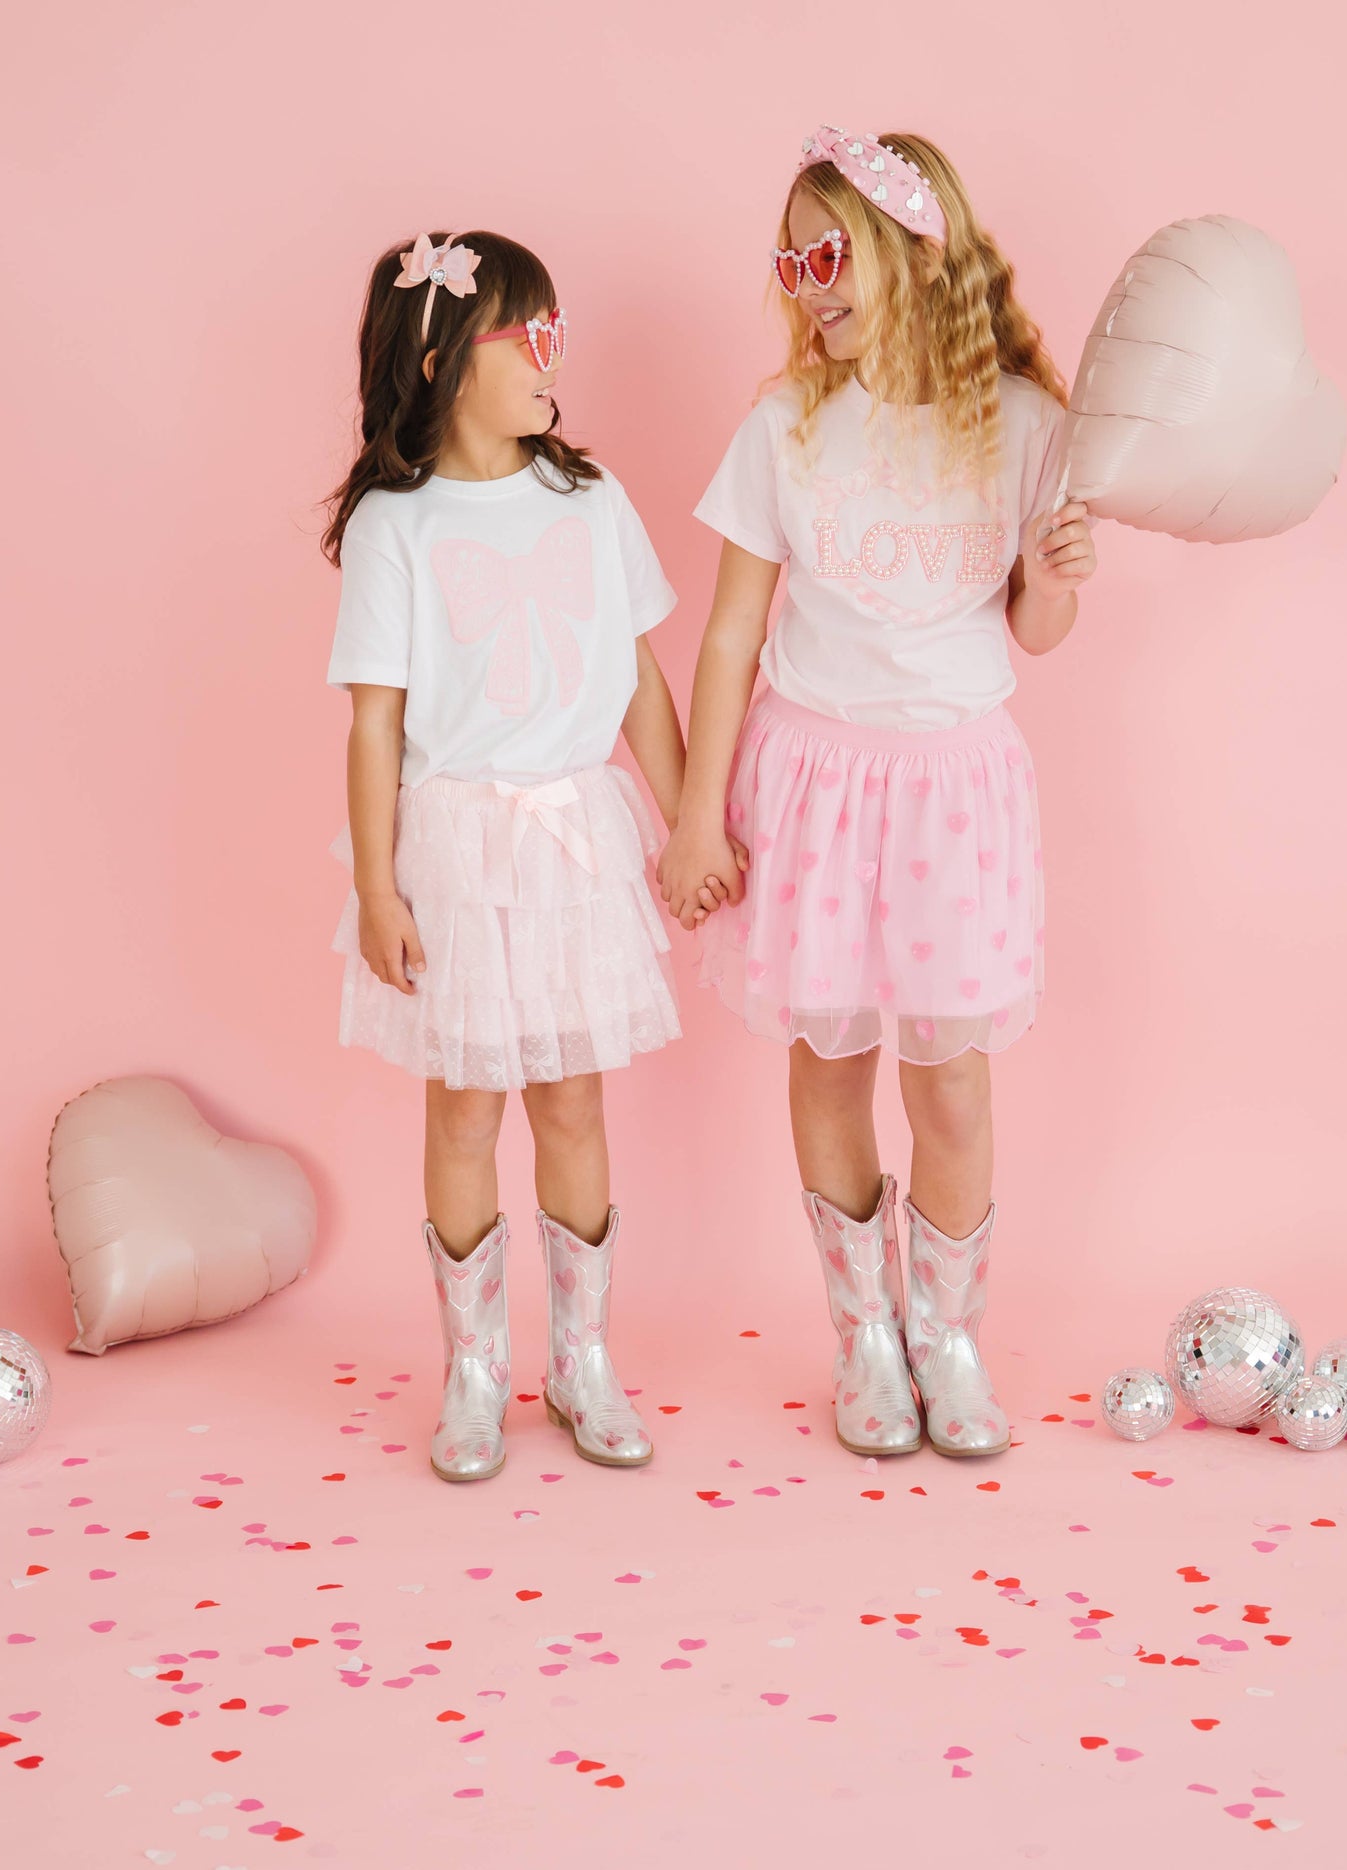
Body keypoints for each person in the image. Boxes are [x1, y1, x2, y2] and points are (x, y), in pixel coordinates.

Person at [658, 130, 1099, 1461]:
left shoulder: (1021, 424)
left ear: (916, 254)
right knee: (830, 1059)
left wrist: (1052, 577)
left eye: (830, 256)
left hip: (951, 791)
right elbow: (729, 634)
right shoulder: (784, 425)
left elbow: (1036, 632)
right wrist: (695, 812)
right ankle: (862, 1337)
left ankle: (946, 1337)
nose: (808, 287)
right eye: (791, 263)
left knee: (950, 1078)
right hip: (813, 781)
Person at [323, 231, 689, 1482]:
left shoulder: (590, 499)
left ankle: (580, 1359)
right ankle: (474, 1370)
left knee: (573, 1097)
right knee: (466, 1104)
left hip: (573, 837)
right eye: (525, 334)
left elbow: (639, 677)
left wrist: (686, 818)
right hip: (457, 844)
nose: (550, 357)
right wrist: (375, 883)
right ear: (442, 361)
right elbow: (374, 721)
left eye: (555, 332)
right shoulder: (396, 524)